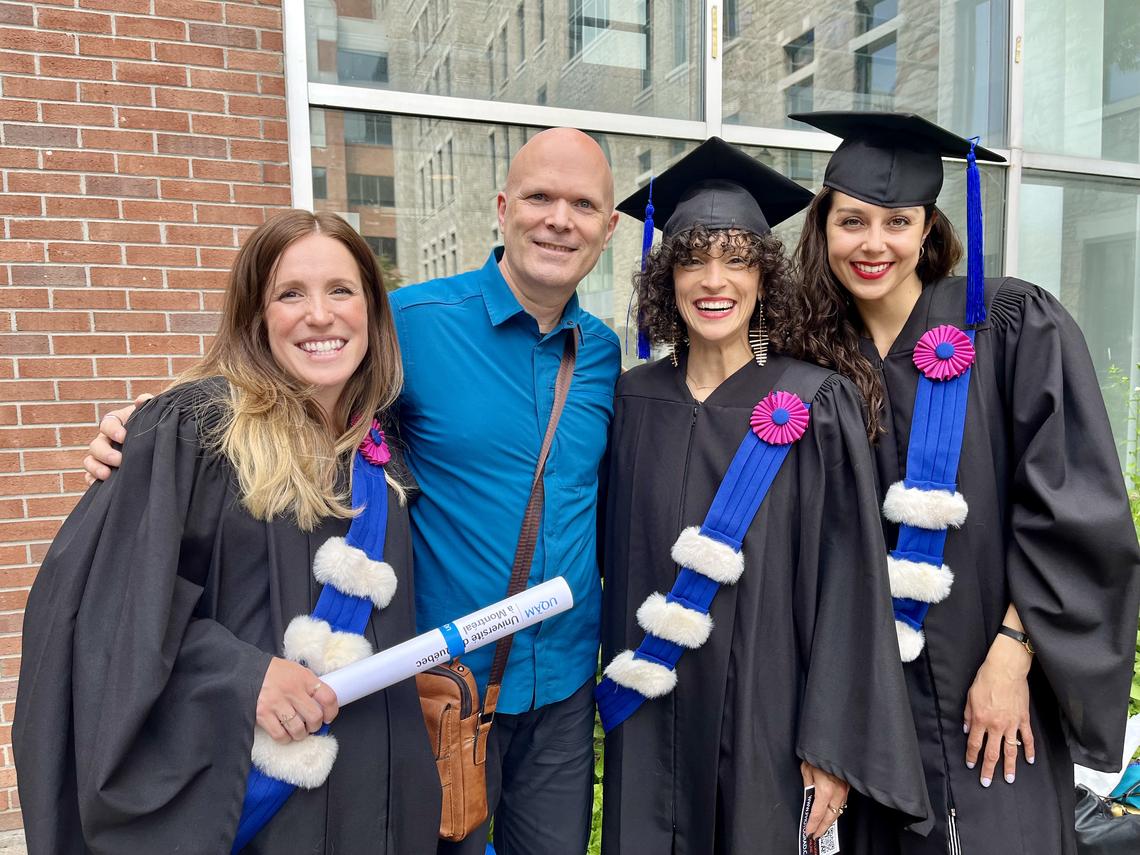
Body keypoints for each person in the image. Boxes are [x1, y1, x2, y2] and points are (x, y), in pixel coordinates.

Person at [82, 128, 620, 855]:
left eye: (583, 204)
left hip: (560, 689)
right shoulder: (410, 325)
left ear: (609, 226)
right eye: (539, 197)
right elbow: (296, 374)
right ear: (502, 207)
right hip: (438, 690)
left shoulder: (603, 354)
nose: (560, 218)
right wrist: (150, 431)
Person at [16, 211, 441, 854]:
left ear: (372, 312)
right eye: (290, 294)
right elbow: (98, 620)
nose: (320, 316)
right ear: (254, 317)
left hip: (377, 799)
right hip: (253, 804)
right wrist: (244, 677)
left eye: (341, 291)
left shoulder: (381, 448)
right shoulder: (192, 432)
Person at [788, 110, 1140, 855]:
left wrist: (1014, 654)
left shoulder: (1009, 326)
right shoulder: (812, 362)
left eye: (896, 220)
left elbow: (1073, 510)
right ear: (824, 227)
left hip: (992, 690)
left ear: (928, 228)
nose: (873, 243)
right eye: (852, 220)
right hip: (869, 714)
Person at [595, 138, 932, 854]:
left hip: (767, 728)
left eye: (737, 258)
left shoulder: (815, 403)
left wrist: (832, 741)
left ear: (763, 276)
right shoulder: (630, 400)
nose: (714, 280)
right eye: (692, 258)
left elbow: (850, 585)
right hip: (650, 720)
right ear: (667, 276)